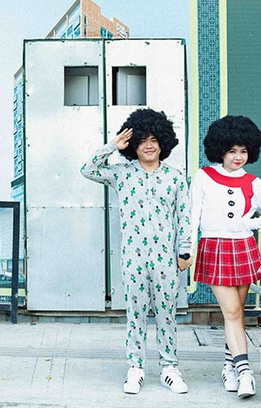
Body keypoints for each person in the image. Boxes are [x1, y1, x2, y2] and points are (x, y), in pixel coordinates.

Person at [81, 108, 191, 395]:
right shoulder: (121, 174)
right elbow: (88, 169)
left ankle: (169, 367)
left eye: (154, 139)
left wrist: (184, 251)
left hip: (166, 259)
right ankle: (136, 368)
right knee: (136, 313)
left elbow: (185, 217)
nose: (149, 145)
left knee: (167, 313)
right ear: (133, 144)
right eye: (142, 140)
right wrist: (111, 146)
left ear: (163, 142)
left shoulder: (175, 178)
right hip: (133, 258)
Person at [189, 115, 261, 399]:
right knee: (231, 313)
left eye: (243, 151)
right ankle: (245, 373)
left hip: (243, 248)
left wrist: (248, 224)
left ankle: (229, 366)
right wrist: (186, 249)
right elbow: (192, 217)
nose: (238, 157)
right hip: (214, 247)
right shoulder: (203, 176)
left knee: (236, 315)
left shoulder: (254, 182)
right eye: (232, 151)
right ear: (220, 150)